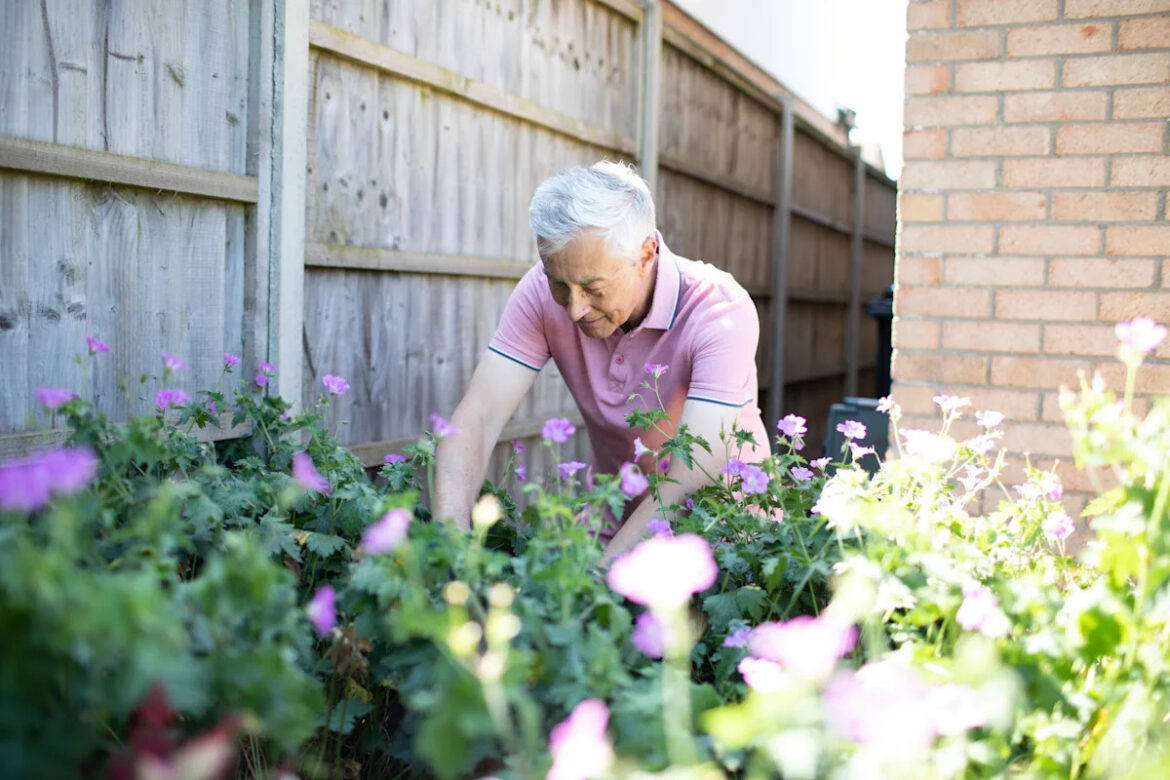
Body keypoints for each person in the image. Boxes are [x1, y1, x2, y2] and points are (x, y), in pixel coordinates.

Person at [433, 161, 770, 558]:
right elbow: (477, 416)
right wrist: (450, 550)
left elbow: (692, 476)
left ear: (646, 254)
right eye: (560, 285)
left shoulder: (719, 312)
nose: (574, 309)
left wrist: (596, 583)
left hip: (725, 536)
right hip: (616, 529)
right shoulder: (541, 292)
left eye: (593, 288)